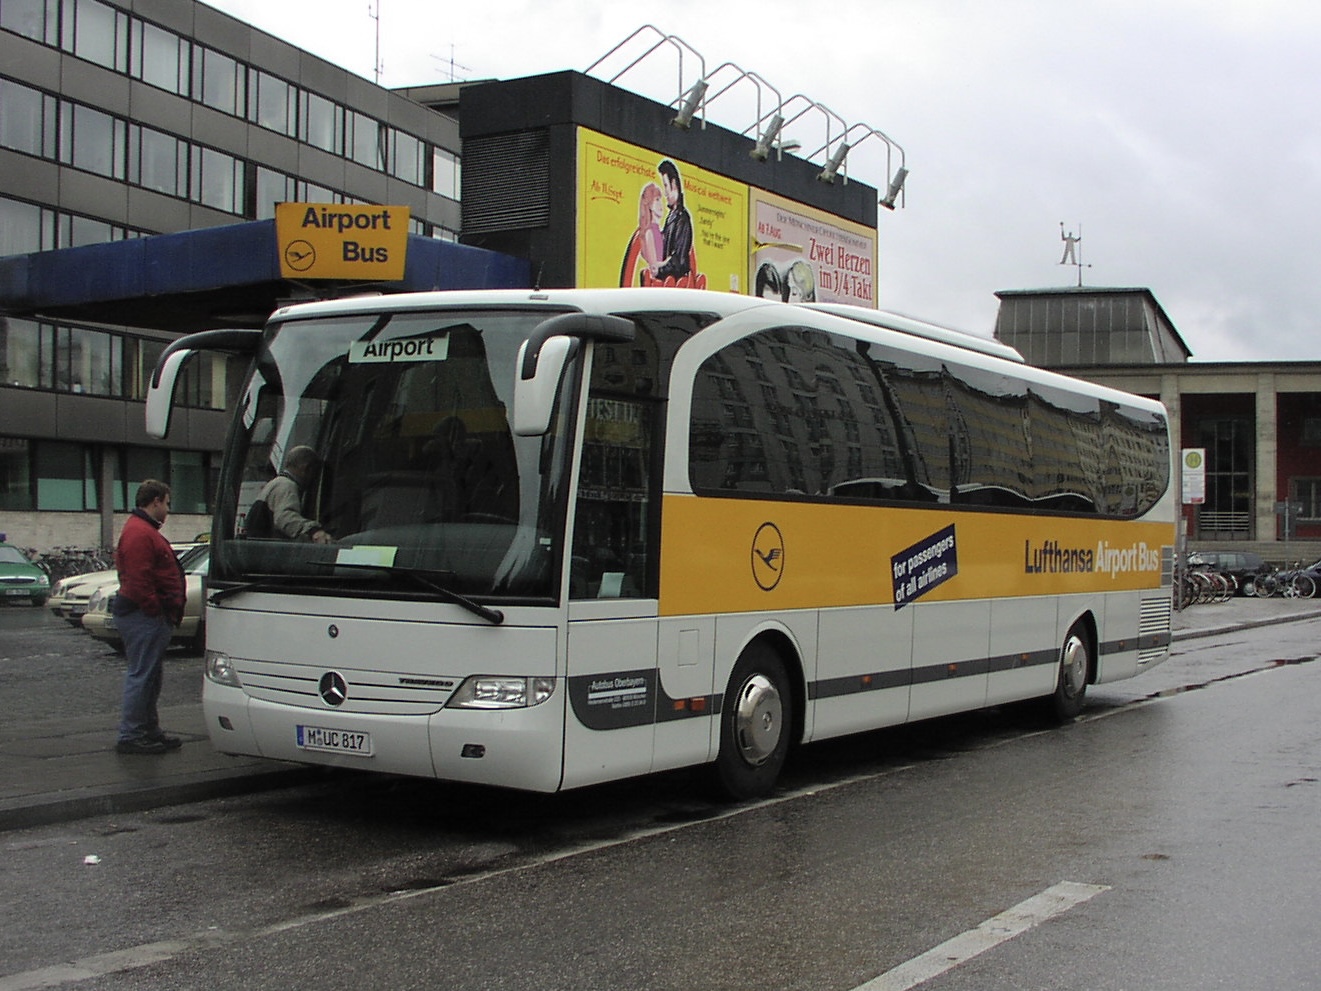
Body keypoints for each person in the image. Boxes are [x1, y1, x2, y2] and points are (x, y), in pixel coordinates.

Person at [113, 479, 186, 755]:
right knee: (143, 675)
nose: (167, 510)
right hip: (144, 616)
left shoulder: (142, 530)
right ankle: (132, 734)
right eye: (166, 504)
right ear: (155, 501)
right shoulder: (141, 533)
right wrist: (156, 608)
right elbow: (137, 580)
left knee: (150, 675)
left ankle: (146, 729)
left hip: (148, 614)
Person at [253, 446, 333, 543]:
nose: (314, 479)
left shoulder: (276, 483)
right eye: (315, 472)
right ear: (307, 468)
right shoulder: (287, 486)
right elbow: (284, 517)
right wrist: (313, 530)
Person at [653, 160, 694, 282]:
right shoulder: (671, 217)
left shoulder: (682, 218)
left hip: (676, 283)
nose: (665, 193)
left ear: (674, 184)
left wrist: (660, 269)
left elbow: (678, 260)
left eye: (666, 186)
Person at [637, 182, 665, 273]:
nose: (661, 204)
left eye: (660, 199)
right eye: (657, 200)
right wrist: (669, 262)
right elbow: (654, 267)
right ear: (649, 204)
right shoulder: (650, 232)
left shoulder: (659, 232)